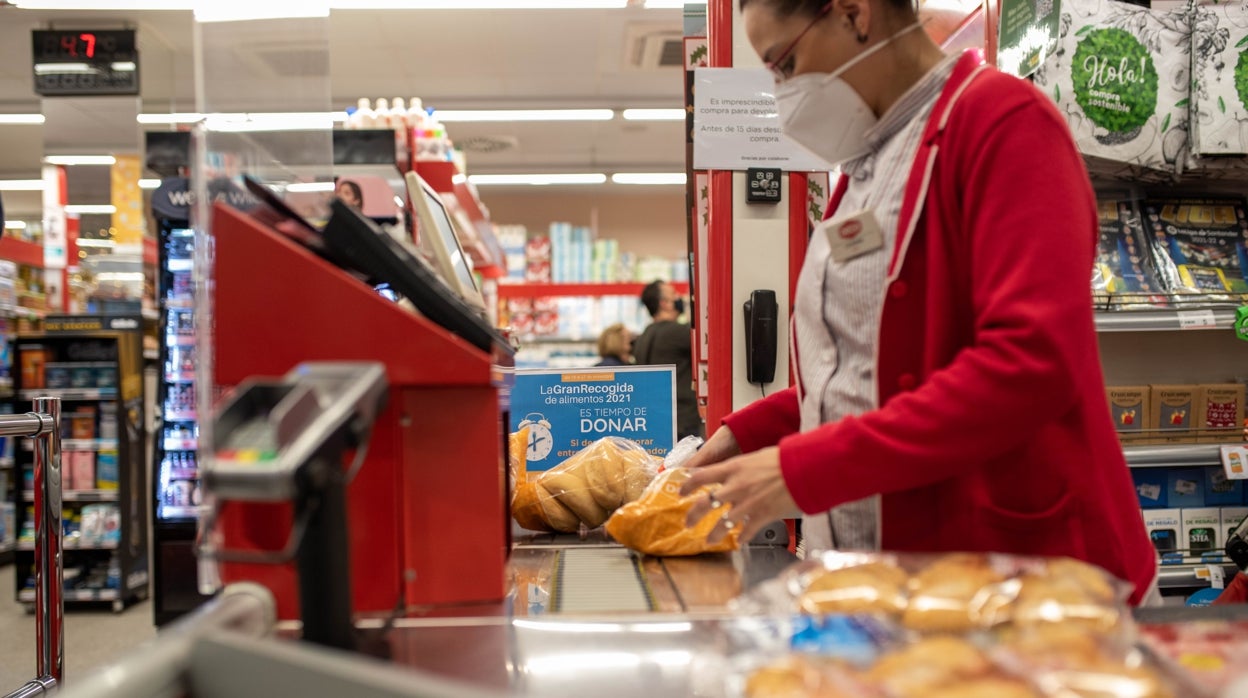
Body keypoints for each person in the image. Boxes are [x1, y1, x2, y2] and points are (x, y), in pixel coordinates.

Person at [679, 0, 1158, 604]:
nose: (782, 92)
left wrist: (801, 470)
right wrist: (748, 434)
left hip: (1028, 586)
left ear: (854, 13)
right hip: (910, 582)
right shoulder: (864, 168)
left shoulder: (1005, 123)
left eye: (786, 63)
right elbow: (865, 366)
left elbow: (1032, 361)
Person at [635, 280, 704, 441]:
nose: (679, 298)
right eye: (674, 294)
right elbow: (706, 342)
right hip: (682, 421)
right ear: (664, 303)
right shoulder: (677, 333)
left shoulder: (643, 336)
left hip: (655, 419)